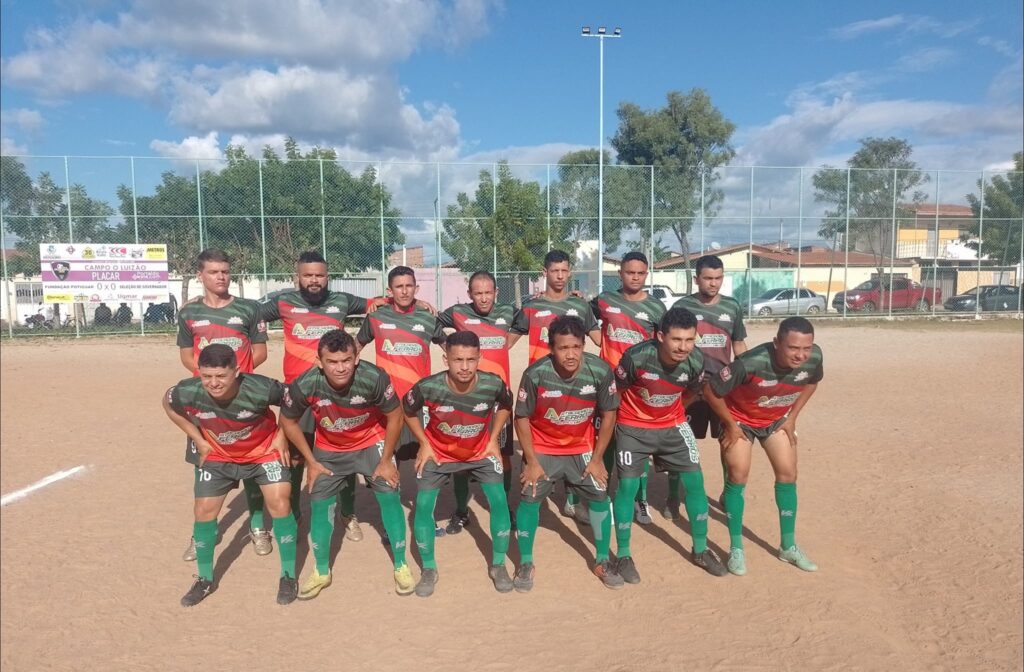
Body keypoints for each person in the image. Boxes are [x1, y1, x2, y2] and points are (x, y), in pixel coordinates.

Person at [279, 330, 415, 598]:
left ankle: (401, 564)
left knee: (389, 492)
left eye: (346, 360)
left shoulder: (374, 377)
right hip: (329, 448)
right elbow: (287, 420)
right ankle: (321, 571)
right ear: (319, 362)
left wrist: (386, 460)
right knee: (319, 504)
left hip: (370, 442)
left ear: (356, 358)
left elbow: (395, 416)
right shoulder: (305, 383)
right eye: (332, 362)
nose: (340, 368)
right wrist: (311, 461)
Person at [162, 344, 298, 607]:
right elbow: (167, 404)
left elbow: (296, 401)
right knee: (203, 510)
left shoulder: (262, 387)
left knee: (280, 503)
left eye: (221, 376)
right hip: (218, 454)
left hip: (263, 451)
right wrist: (198, 439)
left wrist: (282, 435)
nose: (213, 383)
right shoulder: (186, 390)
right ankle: (204, 579)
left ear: (236, 371)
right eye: (206, 376)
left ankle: (288, 575)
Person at [259, 250, 380, 542]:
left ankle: (347, 513)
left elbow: (377, 304)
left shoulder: (342, 301)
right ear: (297, 277)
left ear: (328, 277)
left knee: (344, 453)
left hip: (336, 395)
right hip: (298, 395)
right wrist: (203, 301)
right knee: (295, 457)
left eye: (320, 275)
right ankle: (295, 514)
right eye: (308, 275)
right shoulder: (283, 302)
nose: (314, 280)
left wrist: (418, 303)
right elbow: (245, 312)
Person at [610, 307, 728, 582]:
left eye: (689, 340)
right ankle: (624, 555)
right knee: (627, 486)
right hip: (633, 426)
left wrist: (669, 414)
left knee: (696, 482)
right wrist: (627, 423)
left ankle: (700, 549)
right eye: (676, 340)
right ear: (661, 336)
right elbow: (617, 392)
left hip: (672, 425)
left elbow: (691, 393)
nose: (683, 347)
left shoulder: (696, 360)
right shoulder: (636, 357)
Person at [703, 316, 823, 576]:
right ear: (777, 342)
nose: (801, 355)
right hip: (740, 420)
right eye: (793, 348)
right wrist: (730, 425)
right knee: (738, 474)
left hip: (775, 419)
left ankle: (788, 547)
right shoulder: (750, 363)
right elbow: (711, 390)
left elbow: (812, 382)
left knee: (788, 474)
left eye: (806, 348)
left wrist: (792, 417)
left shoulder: (814, 357)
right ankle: (736, 548)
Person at [512, 315, 623, 591]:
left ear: (584, 345)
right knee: (529, 495)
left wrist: (597, 459)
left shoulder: (600, 371)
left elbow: (609, 415)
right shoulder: (535, 374)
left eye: (576, 347)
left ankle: (602, 559)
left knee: (600, 493)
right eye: (563, 348)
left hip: (581, 447)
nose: (570, 354)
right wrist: (531, 461)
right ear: (552, 348)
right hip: (543, 447)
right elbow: (521, 418)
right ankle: (525, 562)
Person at [176, 249, 270, 562]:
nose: (221, 277)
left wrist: (235, 380)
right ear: (200, 275)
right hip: (205, 401)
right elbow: (187, 356)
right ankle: (201, 533)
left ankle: (258, 526)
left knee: (252, 464)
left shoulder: (249, 309)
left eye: (225, 272)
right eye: (214, 272)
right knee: (204, 462)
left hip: (244, 398)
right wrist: (211, 383)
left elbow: (260, 352)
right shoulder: (189, 313)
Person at [404, 331, 515, 596]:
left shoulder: (493, 383)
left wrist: (493, 439)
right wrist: (424, 443)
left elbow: (506, 405)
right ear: (446, 359)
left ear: (480, 358)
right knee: (422, 506)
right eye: (457, 360)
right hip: (439, 454)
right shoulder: (428, 387)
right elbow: (407, 410)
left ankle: (499, 564)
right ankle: (428, 568)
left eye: (470, 360)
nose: (464, 367)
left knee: (499, 501)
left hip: (480, 452)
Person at [508, 249, 601, 523]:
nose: (559, 276)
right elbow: (505, 342)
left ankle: (573, 501)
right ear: (544, 272)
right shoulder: (531, 307)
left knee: (573, 437)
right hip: (540, 387)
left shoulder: (581, 306)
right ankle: (532, 498)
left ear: (570, 272)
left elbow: (600, 339)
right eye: (554, 271)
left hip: (574, 387)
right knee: (536, 437)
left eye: (564, 271)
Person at [356, 265, 444, 537]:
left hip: (419, 405)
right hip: (387, 405)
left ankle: (426, 519)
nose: (404, 291)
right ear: (390, 290)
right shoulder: (376, 317)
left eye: (409, 286)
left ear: (416, 288)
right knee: (387, 462)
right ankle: (391, 524)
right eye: (399, 287)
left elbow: (450, 348)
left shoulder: (428, 317)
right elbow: (354, 349)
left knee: (426, 461)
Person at [432, 270, 517, 534]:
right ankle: (461, 510)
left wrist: (507, 343)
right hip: (465, 399)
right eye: (478, 293)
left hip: (498, 400)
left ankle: (503, 506)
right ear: (469, 294)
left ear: (496, 292)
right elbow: (431, 321)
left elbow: (529, 321)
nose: (483, 298)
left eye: (488, 292)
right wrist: (449, 346)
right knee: (461, 456)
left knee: (503, 456)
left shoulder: (509, 312)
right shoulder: (458, 312)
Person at [668, 254, 748, 520]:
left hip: (722, 388)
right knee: (680, 443)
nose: (713, 283)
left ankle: (728, 492)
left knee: (728, 441)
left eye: (718, 278)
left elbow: (738, 345)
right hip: (689, 387)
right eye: (708, 278)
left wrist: (746, 376)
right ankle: (673, 496)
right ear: (697, 279)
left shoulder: (732, 307)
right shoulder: (682, 306)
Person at [590, 251, 666, 525]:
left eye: (640, 273)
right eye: (630, 272)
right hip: (608, 383)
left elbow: (663, 344)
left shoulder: (657, 308)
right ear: (620, 274)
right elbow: (583, 316)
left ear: (646, 274)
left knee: (639, 444)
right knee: (606, 440)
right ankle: (604, 496)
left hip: (639, 386)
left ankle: (640, 499)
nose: (635, 277)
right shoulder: (604, 301)